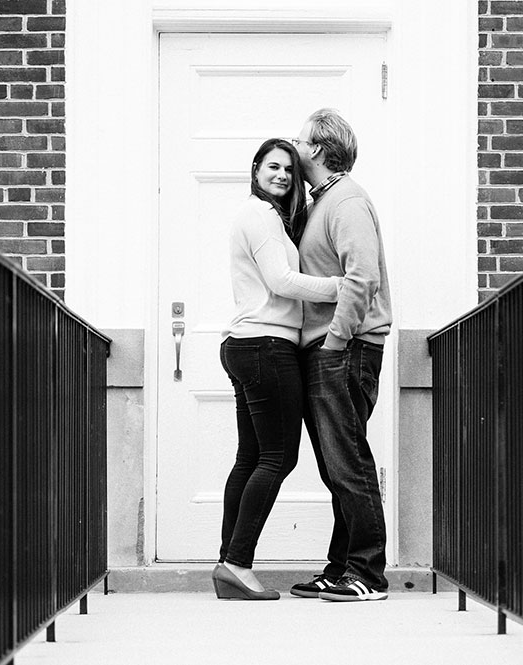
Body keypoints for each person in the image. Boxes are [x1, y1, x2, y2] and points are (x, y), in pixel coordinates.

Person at [213, 138, 342, 600]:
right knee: (277, 457)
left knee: (250, 457)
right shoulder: (262, 218)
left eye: (290, 169)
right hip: (266, 345)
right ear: (255, 169)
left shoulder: (262, 216)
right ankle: (237, 563)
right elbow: (281, 281)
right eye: (273, 166)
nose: (283, 175)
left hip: (246, 344)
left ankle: (229, 561)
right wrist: (341, 287)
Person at [288, 109, 392, 602]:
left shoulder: (347, 200)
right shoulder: (324, 201)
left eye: (300, 137)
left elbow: (362, 277)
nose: (293, 142)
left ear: (317, 148)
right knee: (337, 466)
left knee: (348, 462)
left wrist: (334, 342)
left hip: (346, 348)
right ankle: (342, 567)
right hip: (333, 349)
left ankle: (368, 574)